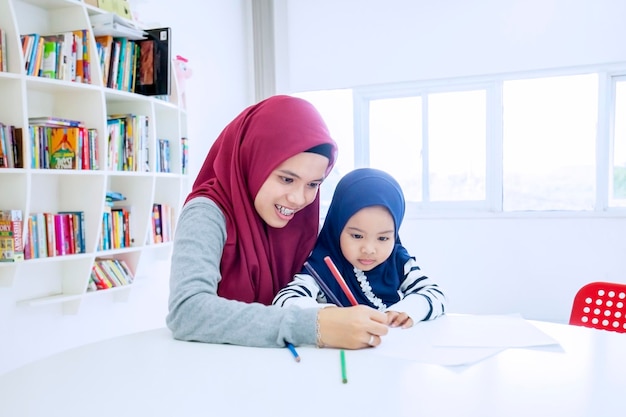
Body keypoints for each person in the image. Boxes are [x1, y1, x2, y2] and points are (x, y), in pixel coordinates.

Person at [166, 95, 390, 350]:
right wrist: (315, 326)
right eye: (286, 179)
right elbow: (187, 311)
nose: (298, 198)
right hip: (217, 372)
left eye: (313, 184)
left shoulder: (302, 221)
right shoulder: (206, 213)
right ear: (252, 162)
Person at [273, 168, 447, 329]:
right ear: (337, 227)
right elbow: (284, 301)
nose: (369, 249)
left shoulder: (398, 261)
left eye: (383, 238)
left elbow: (435, 294)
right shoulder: (321, 266)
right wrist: (331, 316)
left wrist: (405, 311)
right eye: (357, 236)